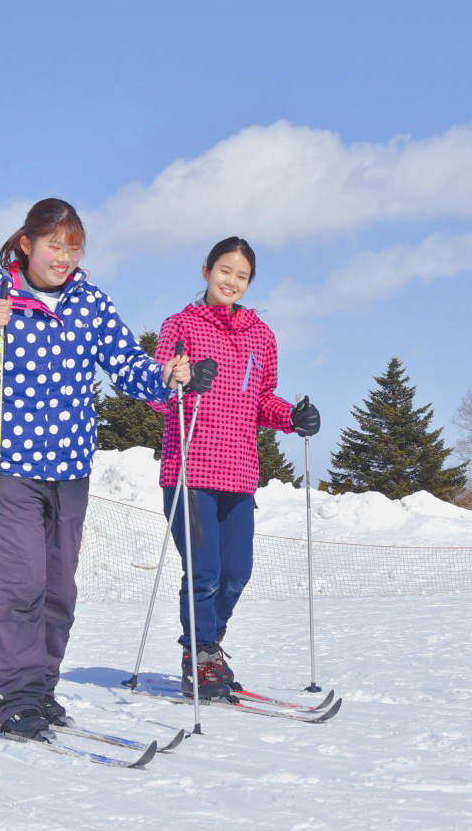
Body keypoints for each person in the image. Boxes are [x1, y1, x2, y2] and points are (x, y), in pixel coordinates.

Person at [0, 198, 197, 740]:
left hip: (71, 465)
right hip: (9, 463)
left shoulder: (90, 302)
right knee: (20, 584)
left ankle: (41, 687)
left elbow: (127, 364)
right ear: (28, 244)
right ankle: (15, 694)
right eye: (54, 245)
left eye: (74, 246)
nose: (64, 256)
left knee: (59, 590)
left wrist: (166, 376)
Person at [151, 236, 321, 698]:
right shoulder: (179, 326)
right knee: (203, 572)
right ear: (206, 270)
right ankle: (200, 655)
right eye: (224, 270)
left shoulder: (261, 337)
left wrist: (292, 417)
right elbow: (156, 392)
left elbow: (262, 399)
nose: (232, 281)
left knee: (236, 572)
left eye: (242, 275)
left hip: (239, 471)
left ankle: (207, 648)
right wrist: (181, 383)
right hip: (190, 471)